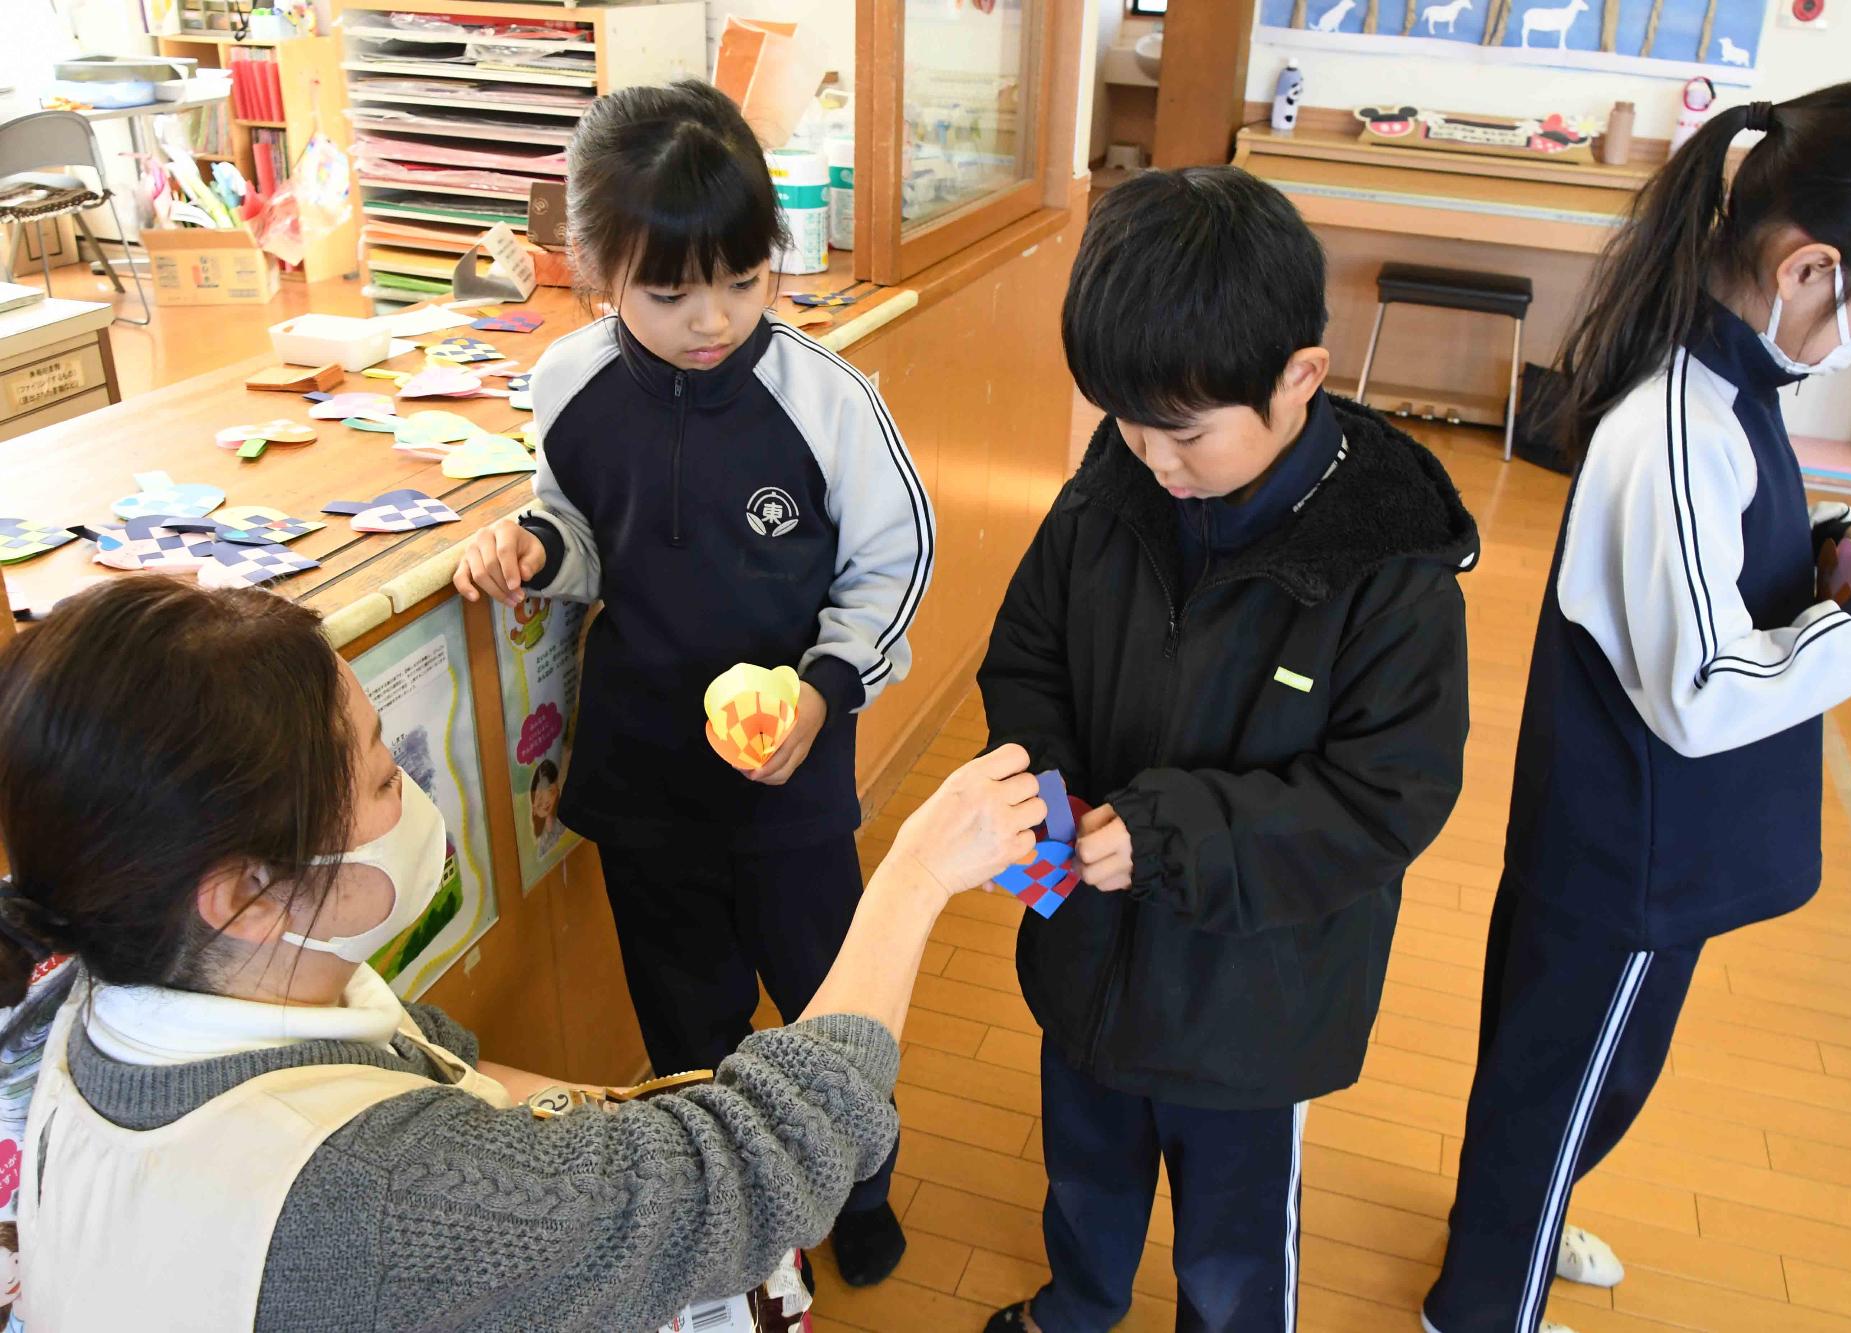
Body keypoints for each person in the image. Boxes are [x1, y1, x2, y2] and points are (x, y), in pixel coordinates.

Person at [0, 577, 1042, 1331]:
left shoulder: (115, 997)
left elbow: (404, 1065)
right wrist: (911, 876)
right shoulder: (378, 1204)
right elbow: (764, 1164)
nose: (415, 797)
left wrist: (587, 1120)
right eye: (376, 779)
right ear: (245, 896)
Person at [1422, 82, 1851, 1333]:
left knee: (1571, 1080)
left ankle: (1514, 1227)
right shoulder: (1675, 425)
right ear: (1810, 270)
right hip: (1625, 854)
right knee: (1562, 1084)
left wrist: (1839, 555)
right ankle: (1477, 1306)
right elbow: (1702, 692)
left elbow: (1706, 581)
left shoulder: (1730, 393)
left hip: (1637, 845)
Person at [977, 166, 1479, 1333]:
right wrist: (1041, 797)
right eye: (1123, 421)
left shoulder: (1387, 566)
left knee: (1231, 1247)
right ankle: (1077, 1305)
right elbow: (1027, 656)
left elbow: (1385, 798)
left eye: (1182, 432)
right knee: (1085, 1173)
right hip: (1089, 950)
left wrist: (1159, 836)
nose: (1150, 456)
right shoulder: (1116, 478)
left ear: (1299, 375)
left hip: (1255, 998)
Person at [453, 81, 934, 1285]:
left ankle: (860, 1186)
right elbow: (580, 526)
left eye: (742, 280)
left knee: (829, 1003)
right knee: (685, 1015)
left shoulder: (824, 400)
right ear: (595, 271)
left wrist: (823, 690)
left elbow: (895, 562)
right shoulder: (566, 381)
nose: (711, 319)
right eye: (669, 293)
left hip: (791, 781)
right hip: (644, 772)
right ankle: (736, 1222)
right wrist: (529, 546)